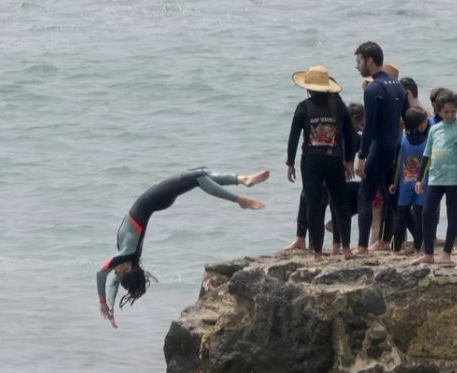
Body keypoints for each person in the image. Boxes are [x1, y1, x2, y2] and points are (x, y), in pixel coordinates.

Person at [96, 168, 268, 328]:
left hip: (157, 201)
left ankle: (243, 180)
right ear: (128, 268)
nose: (115, 272)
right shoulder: (127, 254)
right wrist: (105, 302)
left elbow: (109, 278)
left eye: (116, 272)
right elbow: (104, 275)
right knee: (198, 177)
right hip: (156, 199)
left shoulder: (126, 258)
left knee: (201, 175)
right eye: (118, 272)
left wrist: (108, 305)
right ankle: (240, 199)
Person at [287, 66, 356, 261]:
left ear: (308, 88)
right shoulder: (339, 106)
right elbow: (350, 135)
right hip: (334, 159)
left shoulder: (303, 107)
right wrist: (349, 160)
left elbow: (293, 136)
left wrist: (290, 162)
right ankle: (346, 248)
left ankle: (317, 252)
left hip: (311, 161)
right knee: (341, 204)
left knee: (313, 205)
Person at [354, 41, 408, 254]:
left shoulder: (374, 88)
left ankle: (361, 247)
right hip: (394, 146)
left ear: (369, 60)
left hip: (379, 147)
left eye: (359, 62)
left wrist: (362, 156)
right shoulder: (398, 86)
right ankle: (417, 241)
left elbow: (369, 127)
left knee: (364, 195)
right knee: (392, 198)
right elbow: (404, 119)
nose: (357, 67)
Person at [411, 90, 457, 266]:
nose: (450, 115)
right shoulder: (434, 130)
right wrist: (419, 178)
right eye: (446, 112)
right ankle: (428, 253)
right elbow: (426, 155)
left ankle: (446, 252)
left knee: (452, 214)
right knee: (427, 212)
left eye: (453, 111)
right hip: (435, 179)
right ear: (438, 111)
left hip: (453, 180)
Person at [389, 107, 430, 254]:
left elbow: (398, 163)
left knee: (401, 217)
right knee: (419, 216)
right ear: (420, 125)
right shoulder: (426, 144)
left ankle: (396, 248)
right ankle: (417, 247)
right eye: (425, 122)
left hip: (404, 184)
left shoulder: (403, 141)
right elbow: (428, 167)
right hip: (421, 185)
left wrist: (394, 182)